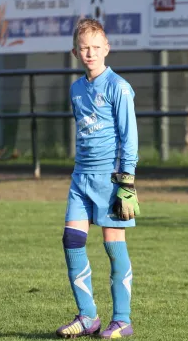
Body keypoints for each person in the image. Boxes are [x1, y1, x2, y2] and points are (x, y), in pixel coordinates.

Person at [56, 18, 140, 339]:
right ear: (75, 52)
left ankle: (122, 319)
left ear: (107, 48)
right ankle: (88, 317)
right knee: (71, 241)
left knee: (112, 245)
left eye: (95, 47)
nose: (90, 53)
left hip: (111, 179)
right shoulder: (76, 89)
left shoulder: (118, 87)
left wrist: (126, 182)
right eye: (83, 48)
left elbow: (128, 138)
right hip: (81, 179)